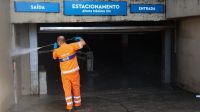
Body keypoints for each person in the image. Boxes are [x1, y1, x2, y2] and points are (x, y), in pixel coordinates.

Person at [52, 35, 86, 112]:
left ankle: (69, 107)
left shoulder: (57, 50)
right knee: (76, 87)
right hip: (74, 72)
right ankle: (77, 105)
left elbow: (54, 57)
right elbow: (83, 43)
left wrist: (55, 47)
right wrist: (79, 38)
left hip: (65, 74)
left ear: (58, 42)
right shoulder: (72, 46)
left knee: (67, 90)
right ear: (65, 40)